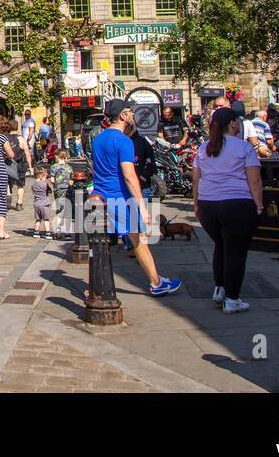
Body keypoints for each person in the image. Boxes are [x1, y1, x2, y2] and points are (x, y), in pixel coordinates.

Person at [90, 99, 181, 297]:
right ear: (122, 115)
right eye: (130, 111)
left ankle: (97, 286)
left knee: (101, 245)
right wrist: (142, 206)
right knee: (139, 241)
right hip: (120, 197)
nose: (132, 115)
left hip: (100, 196)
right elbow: (130, 176)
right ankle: (156, 283)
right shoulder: (123, 141)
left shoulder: (98, 138)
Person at [192, 107, 264, 314]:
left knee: (220, 245)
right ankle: (232, 299)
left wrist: (197, 204)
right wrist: (258, 204)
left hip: (208, 205)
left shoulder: (203, 148)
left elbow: (196, 178)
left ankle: (220, 289)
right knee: (236, 251)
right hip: (237, 203)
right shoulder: (244, 148)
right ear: (232, 124)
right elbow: (254, 179)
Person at [4, 126, 30, 211]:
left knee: (8, 182)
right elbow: (27, 153)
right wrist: (30, 166)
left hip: (9, 164)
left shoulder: (5, 139)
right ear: (17, 128)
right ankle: (19, 203)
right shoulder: (21, 139)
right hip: (20, 165)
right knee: (20, 184)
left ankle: (8, 196)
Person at [31, 168, 54, 239]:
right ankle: (48, 233)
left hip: (37, 204)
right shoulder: (45, 184)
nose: (45, 179)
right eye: (45, 177)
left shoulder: (33, 184)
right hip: (44, 204)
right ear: (41, 176)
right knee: (46, 219)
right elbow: (50, 191)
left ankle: (36, 232)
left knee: (38, 219)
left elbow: (33, 193)